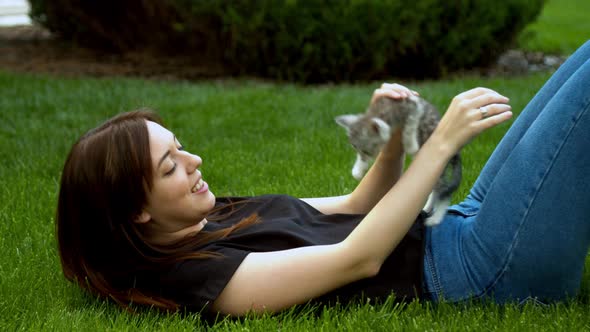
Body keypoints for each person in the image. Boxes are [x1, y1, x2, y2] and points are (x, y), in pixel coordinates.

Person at [56, 40, 590, 317]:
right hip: (481, 273)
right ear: (135, 211)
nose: (194, 161)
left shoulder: (208, 216)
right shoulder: (199, 279)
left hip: (461, 225)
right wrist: (441, 142)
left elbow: (357, 205)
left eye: (179, 147)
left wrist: (389, 135)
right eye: (170, 165)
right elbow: (359, 257)